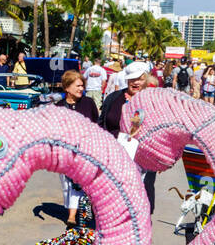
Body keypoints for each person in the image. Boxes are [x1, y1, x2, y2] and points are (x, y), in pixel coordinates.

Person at [99, 60, 156, 211]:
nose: (136, 82)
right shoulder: (113, 98)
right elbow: (101, 124)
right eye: (132, 79)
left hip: (143, 159)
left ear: (147, 80)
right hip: (114, 157)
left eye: (140, 79)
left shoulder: (153, 101)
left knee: (140, 204)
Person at [57, 70, 99, 224]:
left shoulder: (88, 103)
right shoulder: (59, 107)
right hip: (66, 153)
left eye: (83, 86)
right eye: (78, 86)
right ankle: (72, 214)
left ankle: (77, 214)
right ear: (67, 88)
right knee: (68, 184)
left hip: (87, 151)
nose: (81, 89)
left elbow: (97, 124)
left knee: (84, 183)